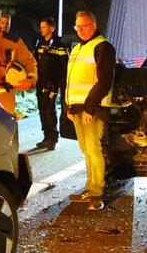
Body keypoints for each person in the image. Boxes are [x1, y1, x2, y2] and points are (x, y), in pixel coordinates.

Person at [65, 11, 116, 211]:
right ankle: (89, 188)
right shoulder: (78, 48)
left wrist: (90, 107)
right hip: (78, 108)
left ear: (94, 25)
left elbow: (105, 81)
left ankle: (97, 194)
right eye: (78, 27)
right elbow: (70, 80)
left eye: (85, 26)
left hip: (92, 109)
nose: (81, 30)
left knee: (94, 151)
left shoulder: (102, 47)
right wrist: (69, 107)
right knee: (86, 151)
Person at [33, 17, 68, 149]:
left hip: (52, 83)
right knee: (42, 108)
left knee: (49, 109)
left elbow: (64, 66)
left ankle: (53, 138)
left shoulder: (59, 43)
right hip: (40, 82)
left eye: (44, 27)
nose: (41, 29)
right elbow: (34, 61)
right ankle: (46, 136)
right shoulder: (39, 42)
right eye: (41, 27)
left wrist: (60, 84)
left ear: (52, 27)